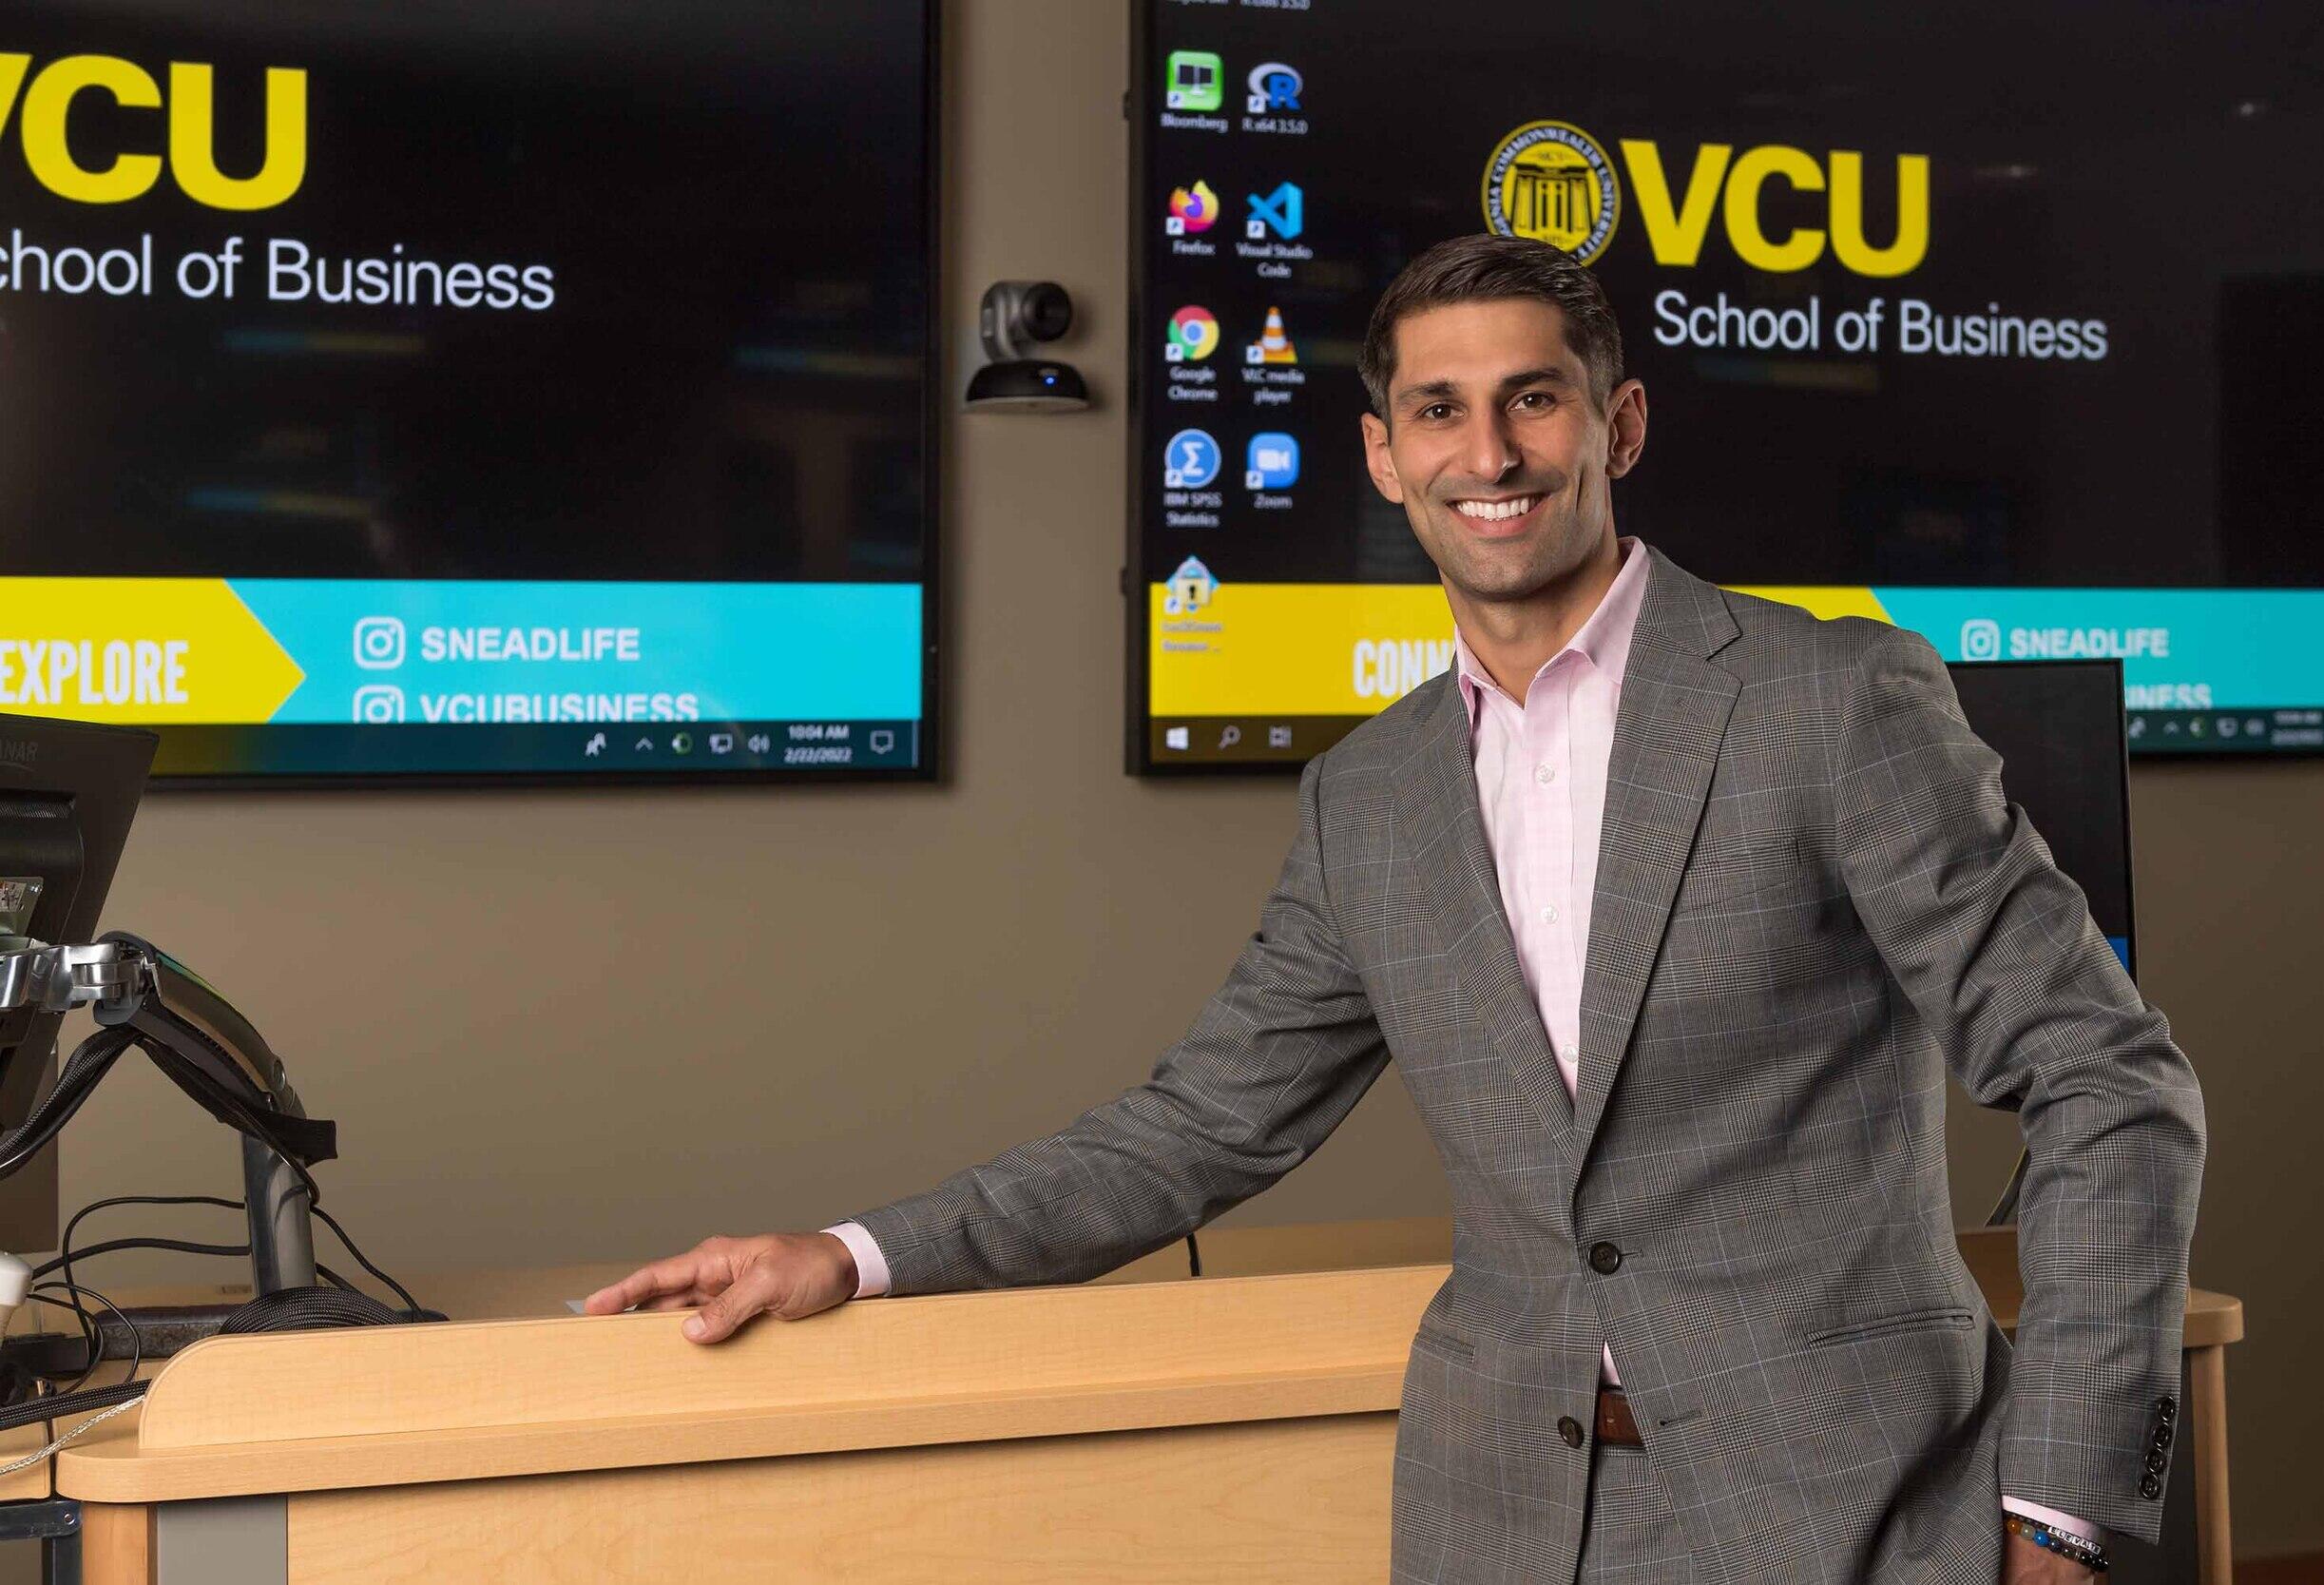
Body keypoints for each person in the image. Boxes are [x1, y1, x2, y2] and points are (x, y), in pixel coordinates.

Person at [589, 234, 2205, 1584]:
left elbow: (2107, 1082)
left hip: (1856, 1513)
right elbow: (1197, 1130)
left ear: (1619, 426)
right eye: (1438, 411)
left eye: (1532, 402)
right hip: (1505, 1523)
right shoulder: (1368, 798)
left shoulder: (1826, 700)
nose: (1486, 455)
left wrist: (2055, 1514)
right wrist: (853, 1255)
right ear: (1383, 454)